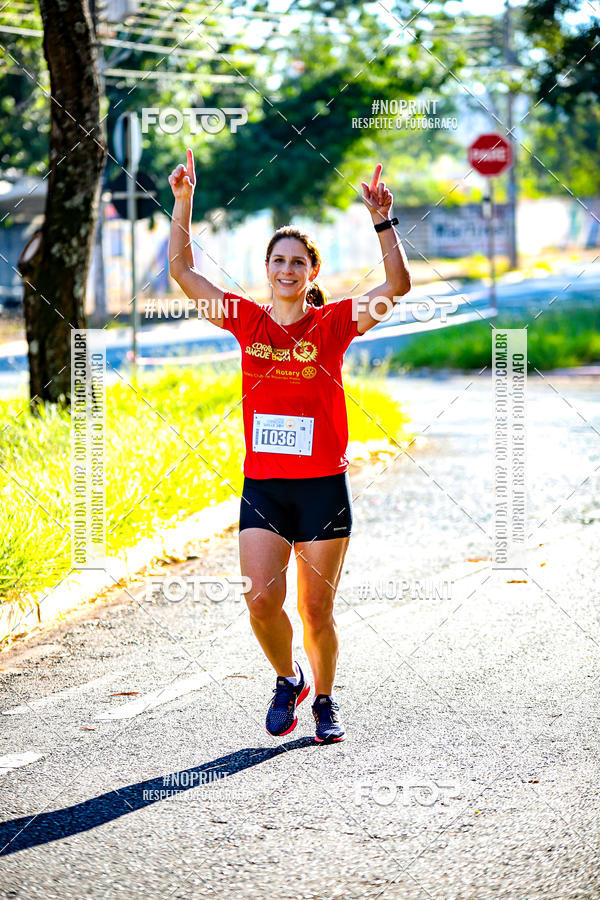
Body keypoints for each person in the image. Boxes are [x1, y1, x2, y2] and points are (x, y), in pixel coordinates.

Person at [168, 149, 411, 744]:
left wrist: (382, 219)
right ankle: (288, 679)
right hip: (265, 486)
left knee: (316, 613)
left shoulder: (333, 326)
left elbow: (397, 285)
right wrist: (183, 200)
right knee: (259, 599)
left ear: (311, 272)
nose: (285, 269)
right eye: (277, 260)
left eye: (296, 262)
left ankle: (325, 700)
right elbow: (181, 271)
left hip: (323, 488)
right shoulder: (245, 321)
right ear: (267, 268)